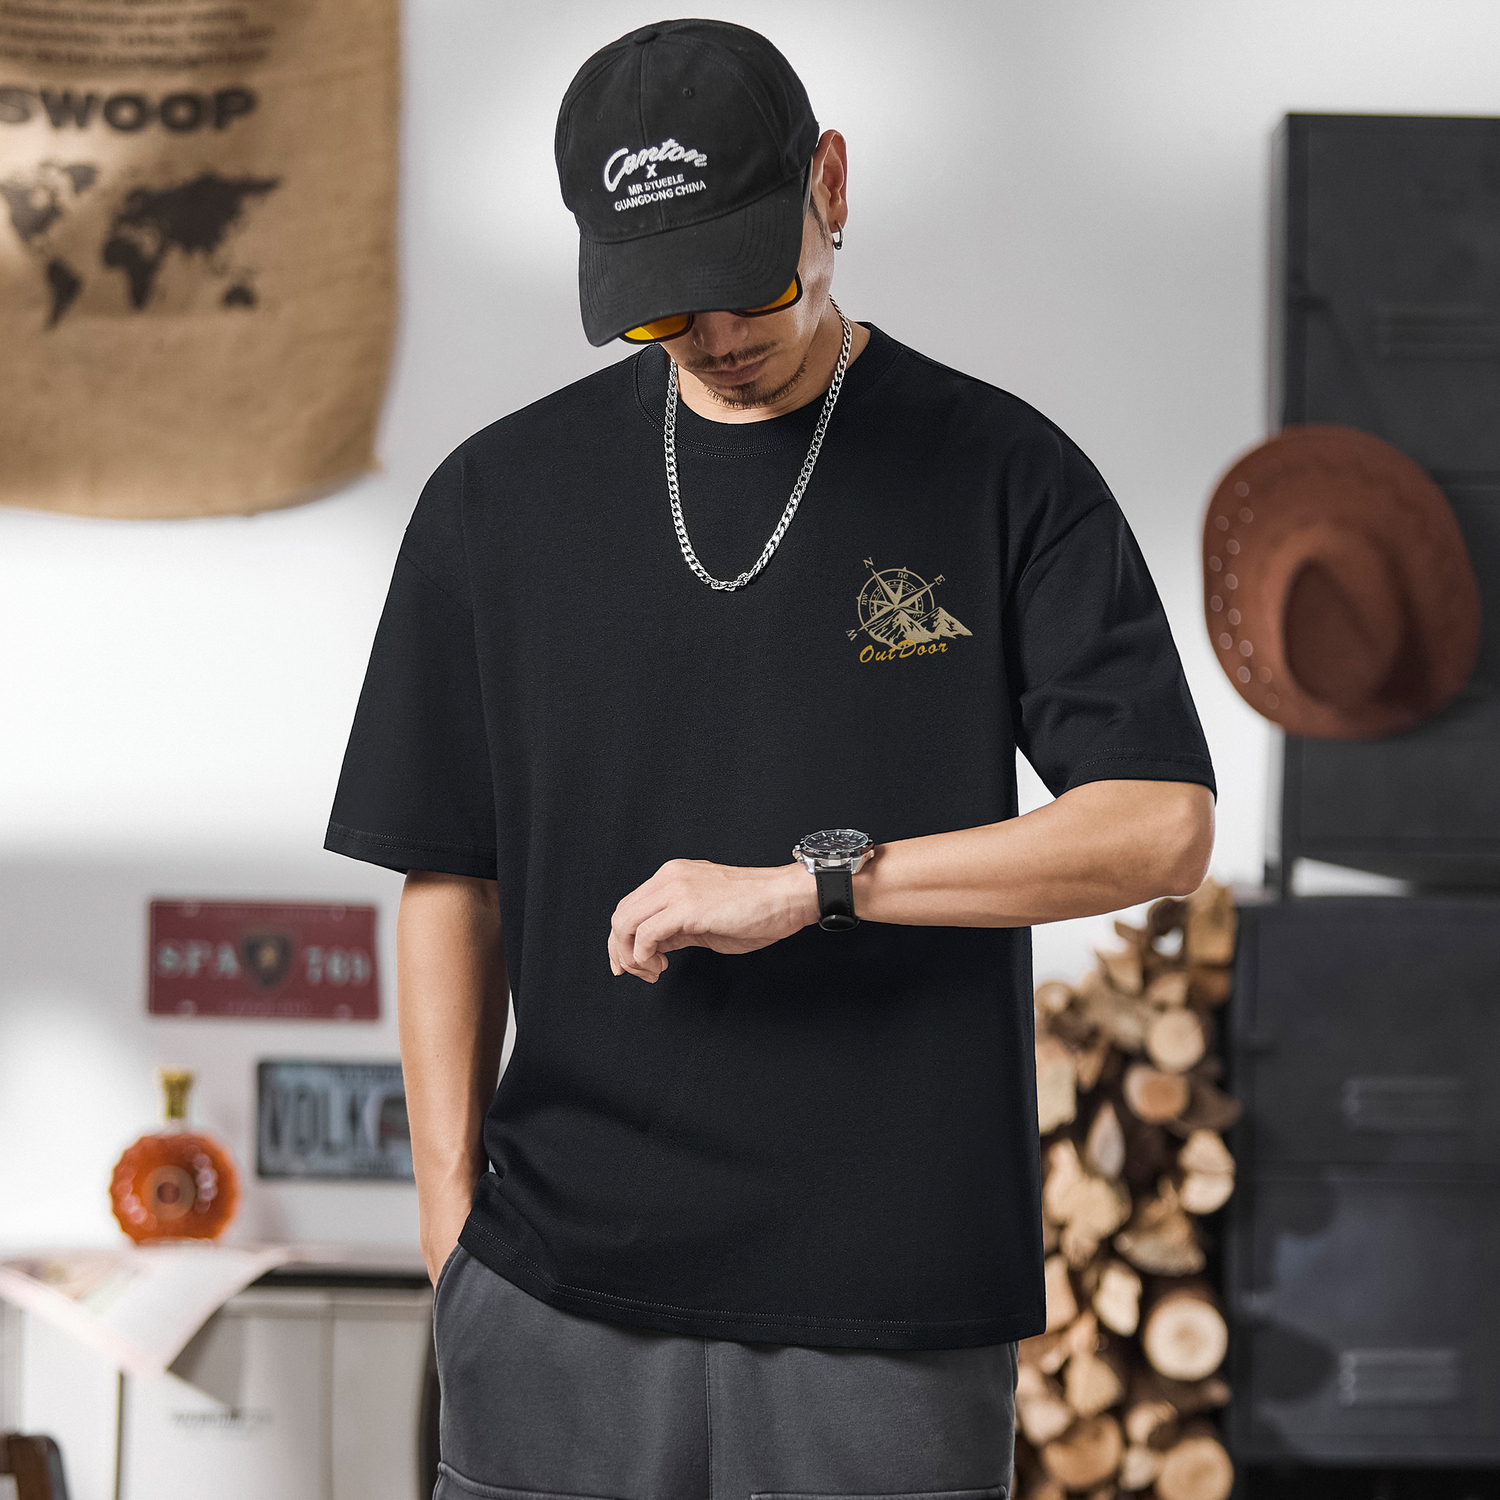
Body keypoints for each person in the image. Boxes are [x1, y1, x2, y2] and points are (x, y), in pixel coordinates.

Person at [326, 18, 1215, 1499]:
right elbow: (447, 873)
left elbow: (1159, 826)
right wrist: (450, 1231)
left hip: (891, 1299)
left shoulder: (1003, 473)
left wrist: (817, 887)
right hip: (552, 1292)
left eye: (751, 283)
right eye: (663, 312)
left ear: (831, 188)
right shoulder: (495, 502)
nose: (718, 336)